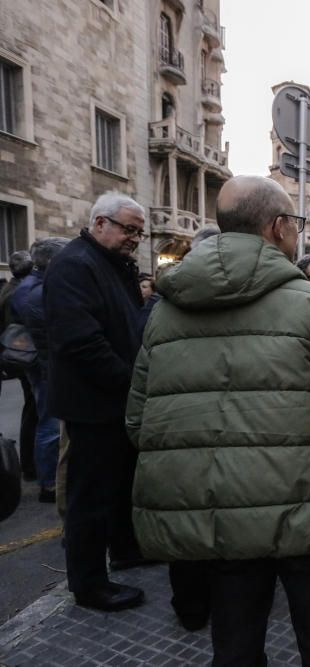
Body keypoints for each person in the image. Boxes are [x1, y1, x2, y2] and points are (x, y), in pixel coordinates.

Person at [127, 175, 310, 666]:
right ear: (279, 227)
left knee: (234, 649)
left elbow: (140, 420)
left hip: (220, 518)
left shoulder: (165, 314)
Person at [44, 192, 147, 611]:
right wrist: (132, 382)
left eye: (139, 232)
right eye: (128, 228)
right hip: (93, 404)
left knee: (119, 484)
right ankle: (88, 585)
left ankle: (124, 550)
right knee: (91, 496)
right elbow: (82, 343)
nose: (134, 238)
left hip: (115, 402)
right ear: (99, 223)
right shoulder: (73, 266)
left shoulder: (109, 265)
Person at [10, 238, 71, 503]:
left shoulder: (31, 286)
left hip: (42, 364)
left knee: (44, 420)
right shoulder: (35, 290)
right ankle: (48, 484)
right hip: (44, 366)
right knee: (48, 425)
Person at [0, 250, 38, 483]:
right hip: (24, 354)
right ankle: (29, 464)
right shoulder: (21, 292)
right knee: (33, 409)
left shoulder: (9, 289)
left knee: (31, 409)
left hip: (16, 353)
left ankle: (28, 463)